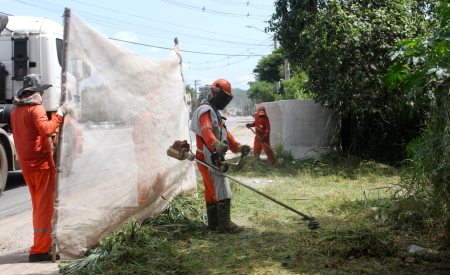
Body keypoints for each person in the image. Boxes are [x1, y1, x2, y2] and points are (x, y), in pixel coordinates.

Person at [10, 74, 68, 262]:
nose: (42, 93)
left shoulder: (15, 111)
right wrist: (59, 114)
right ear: (34, 92)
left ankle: (42, 244)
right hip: (41, 165)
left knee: (38, 207)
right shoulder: (36, 109)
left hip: (28, 167)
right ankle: (39, 250)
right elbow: (47, 130)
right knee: (44, 209)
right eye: (41, 91)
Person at [190, 79, 251, 234]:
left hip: (211, 155)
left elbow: (226, 135)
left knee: (212, 191)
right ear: (214, 93)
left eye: (226, 99)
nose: (224, 102)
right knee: (221, 189)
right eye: (222, 98)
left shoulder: (214, 111)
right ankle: (225, 225)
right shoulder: (205, 110)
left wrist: (238, 147)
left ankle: (214, 225)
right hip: (208, 156)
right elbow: (206, 131)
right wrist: (215, 144)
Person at [132, 94, 164, 206]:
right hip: (148, 151)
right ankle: (160, 198)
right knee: (156, 173)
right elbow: (163, 119)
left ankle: (143, 201)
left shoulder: (140, 116)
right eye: (155, 104)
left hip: (141, 151)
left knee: (144, 176)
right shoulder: (149, 115)